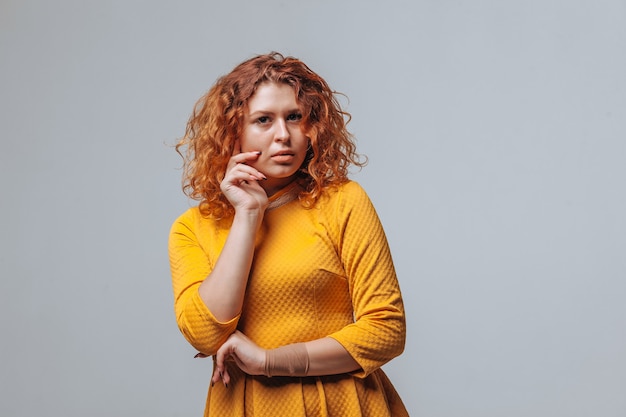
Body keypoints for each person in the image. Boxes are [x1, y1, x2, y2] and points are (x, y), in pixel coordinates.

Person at [168, 52, 408, 416]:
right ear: (233, 130)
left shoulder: (342, 202)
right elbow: (206, 335)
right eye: (263, 120)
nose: (284, 134)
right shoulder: (193, 227)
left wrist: (271, 361)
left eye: (294, 117)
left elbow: (387, 329)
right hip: (248, 407)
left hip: (341, 405)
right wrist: (249, 214)